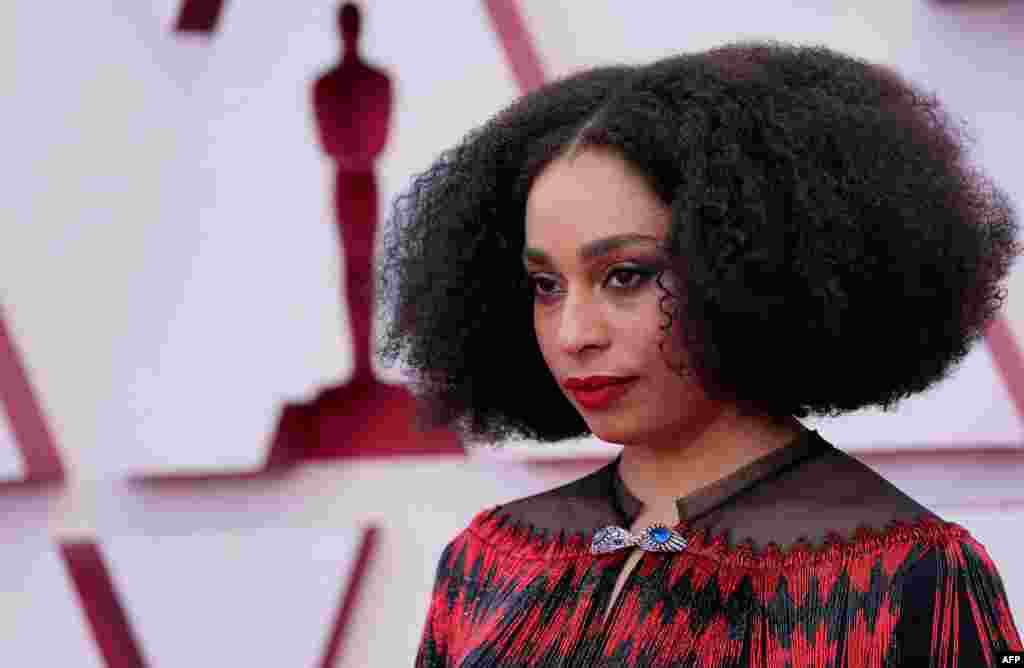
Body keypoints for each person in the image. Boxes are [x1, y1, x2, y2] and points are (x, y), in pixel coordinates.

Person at [375, 41, 1023, 667]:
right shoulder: (492, 558)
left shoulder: (911, 575)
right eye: (546, 286)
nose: (573, 333)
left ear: (751, 265)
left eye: (625, 274)